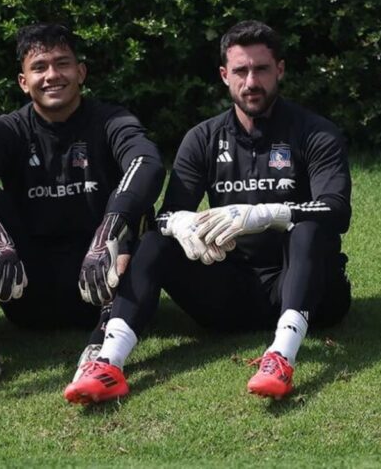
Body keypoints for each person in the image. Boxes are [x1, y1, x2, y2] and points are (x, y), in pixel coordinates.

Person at [64, 20, 353, 404]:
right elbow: (166, 215)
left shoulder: (315, 132)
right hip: (229, 294)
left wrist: (267, 213)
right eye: (240, 71)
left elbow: (336, 210)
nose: (251, 82)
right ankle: (108, 364)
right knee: (155, 241)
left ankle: (280, 358)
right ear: (224, 75)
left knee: (308, 228)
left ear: (280, 69)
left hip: (311, 292)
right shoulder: (203, 137)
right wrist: (182, 224)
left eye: (262, 69)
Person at [0, 23, 165, 396]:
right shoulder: (9, 129)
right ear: (23, 80)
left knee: (140, 213)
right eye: (40, 67)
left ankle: (102, 342)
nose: (52, 75)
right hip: (25, 290)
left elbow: (147, 163)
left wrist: (107, 230)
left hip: (98, 287)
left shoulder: (110, 120)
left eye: (62, 63)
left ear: (80, 72)